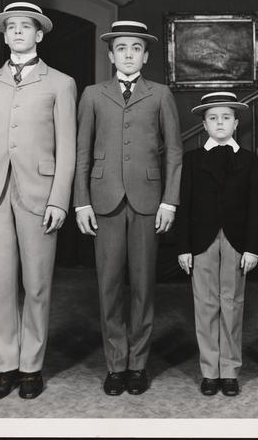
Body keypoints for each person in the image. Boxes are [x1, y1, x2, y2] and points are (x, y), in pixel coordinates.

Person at [0, 2, 77, 401]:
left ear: (39, 35)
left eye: (26, 26)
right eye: (12, 27)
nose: (19, 32)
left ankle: (31, 368)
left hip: (40, 193)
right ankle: (5, 367)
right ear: (5, 35)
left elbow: (68, 148)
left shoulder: (60, 83)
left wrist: (59, 200)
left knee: (37, 284)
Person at [74, 20, 182, 396]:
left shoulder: (160, 94)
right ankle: (115, 364)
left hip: (148, 201)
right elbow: (82, 152)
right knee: (108, 286)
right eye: (122, 48)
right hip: (103, 199)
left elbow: (175, 152)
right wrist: (81, 202)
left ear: (146, 56)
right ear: (111, 54)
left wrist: (169, 200)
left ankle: (138, 364)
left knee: (143, 286)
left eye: (136, 48)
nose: (129, 54)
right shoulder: (92, 94)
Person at [176, 92, 258, 397]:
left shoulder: (249, 159)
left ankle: (229, 370)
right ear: (204, 124)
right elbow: (184, 204)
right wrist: (183, 247)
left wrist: (252, 247)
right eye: (213, 118)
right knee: (205, 304)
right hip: (202, 240)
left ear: (236, 122)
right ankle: (209, 371)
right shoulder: (192, 159)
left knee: (232, 303)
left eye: (226, 117)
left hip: (237, 240)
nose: (220, 123)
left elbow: (256, 205)